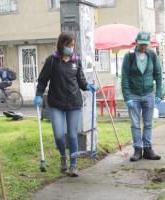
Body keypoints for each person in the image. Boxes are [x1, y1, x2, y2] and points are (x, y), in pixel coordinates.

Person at [34, 33, 97, 177]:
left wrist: (88, 87)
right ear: (61, 44)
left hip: (74, 102)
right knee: (59, 135)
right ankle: (63, 157)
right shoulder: (52, 61)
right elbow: (43, 80)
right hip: (56, 102)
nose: (70, 48)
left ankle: (73, 165)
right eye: (68, 45)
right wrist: (38, 94)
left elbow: (81, 81)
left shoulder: (76, 60)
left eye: (72, 45)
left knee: (73, 135)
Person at [121, 31, 163, 162]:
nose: (144, 47)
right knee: (135, 124)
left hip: (149, 94)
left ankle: (148, 149)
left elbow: (158, 74)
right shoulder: (129, 56)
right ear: (136, 42)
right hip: (134, 95)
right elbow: (125, 78)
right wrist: (127, 96)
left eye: (146, 44)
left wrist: (158, 92)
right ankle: (137, 149)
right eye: (141, 44)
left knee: (148, 123)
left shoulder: (152, 55)